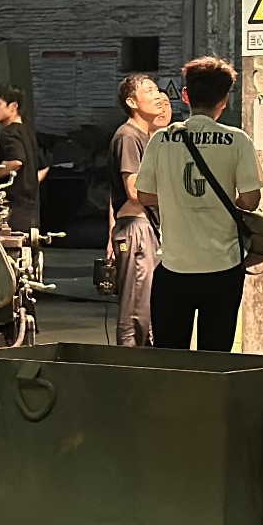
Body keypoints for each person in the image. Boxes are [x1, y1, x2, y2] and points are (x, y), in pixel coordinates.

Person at [136, 56, 263, 352]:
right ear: (224, 100)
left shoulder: (162, 140)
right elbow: (251, 200)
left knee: (171, 357)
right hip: (223, 267)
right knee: (215, 356)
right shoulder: (237, 141)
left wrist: (175, 196)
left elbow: (143, 194)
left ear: (185, 95)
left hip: (174, 267)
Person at [108, 74, 168, 346]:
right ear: (132, 102)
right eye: (149, 91)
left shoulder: (146, 136)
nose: (157, 96)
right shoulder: (128, 136)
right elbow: (133, 192)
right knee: (135, 311)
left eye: (157, 89)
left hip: (146, 228)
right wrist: (175, 196)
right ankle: (128, 364)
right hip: (136, 229)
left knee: (148, 309)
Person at [0, 84, 42, 233]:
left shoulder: (9, 132)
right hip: (32, 212)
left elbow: (16, 161)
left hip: (13, 212)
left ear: (13, 106)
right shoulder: (28, 132)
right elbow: (44, 167)